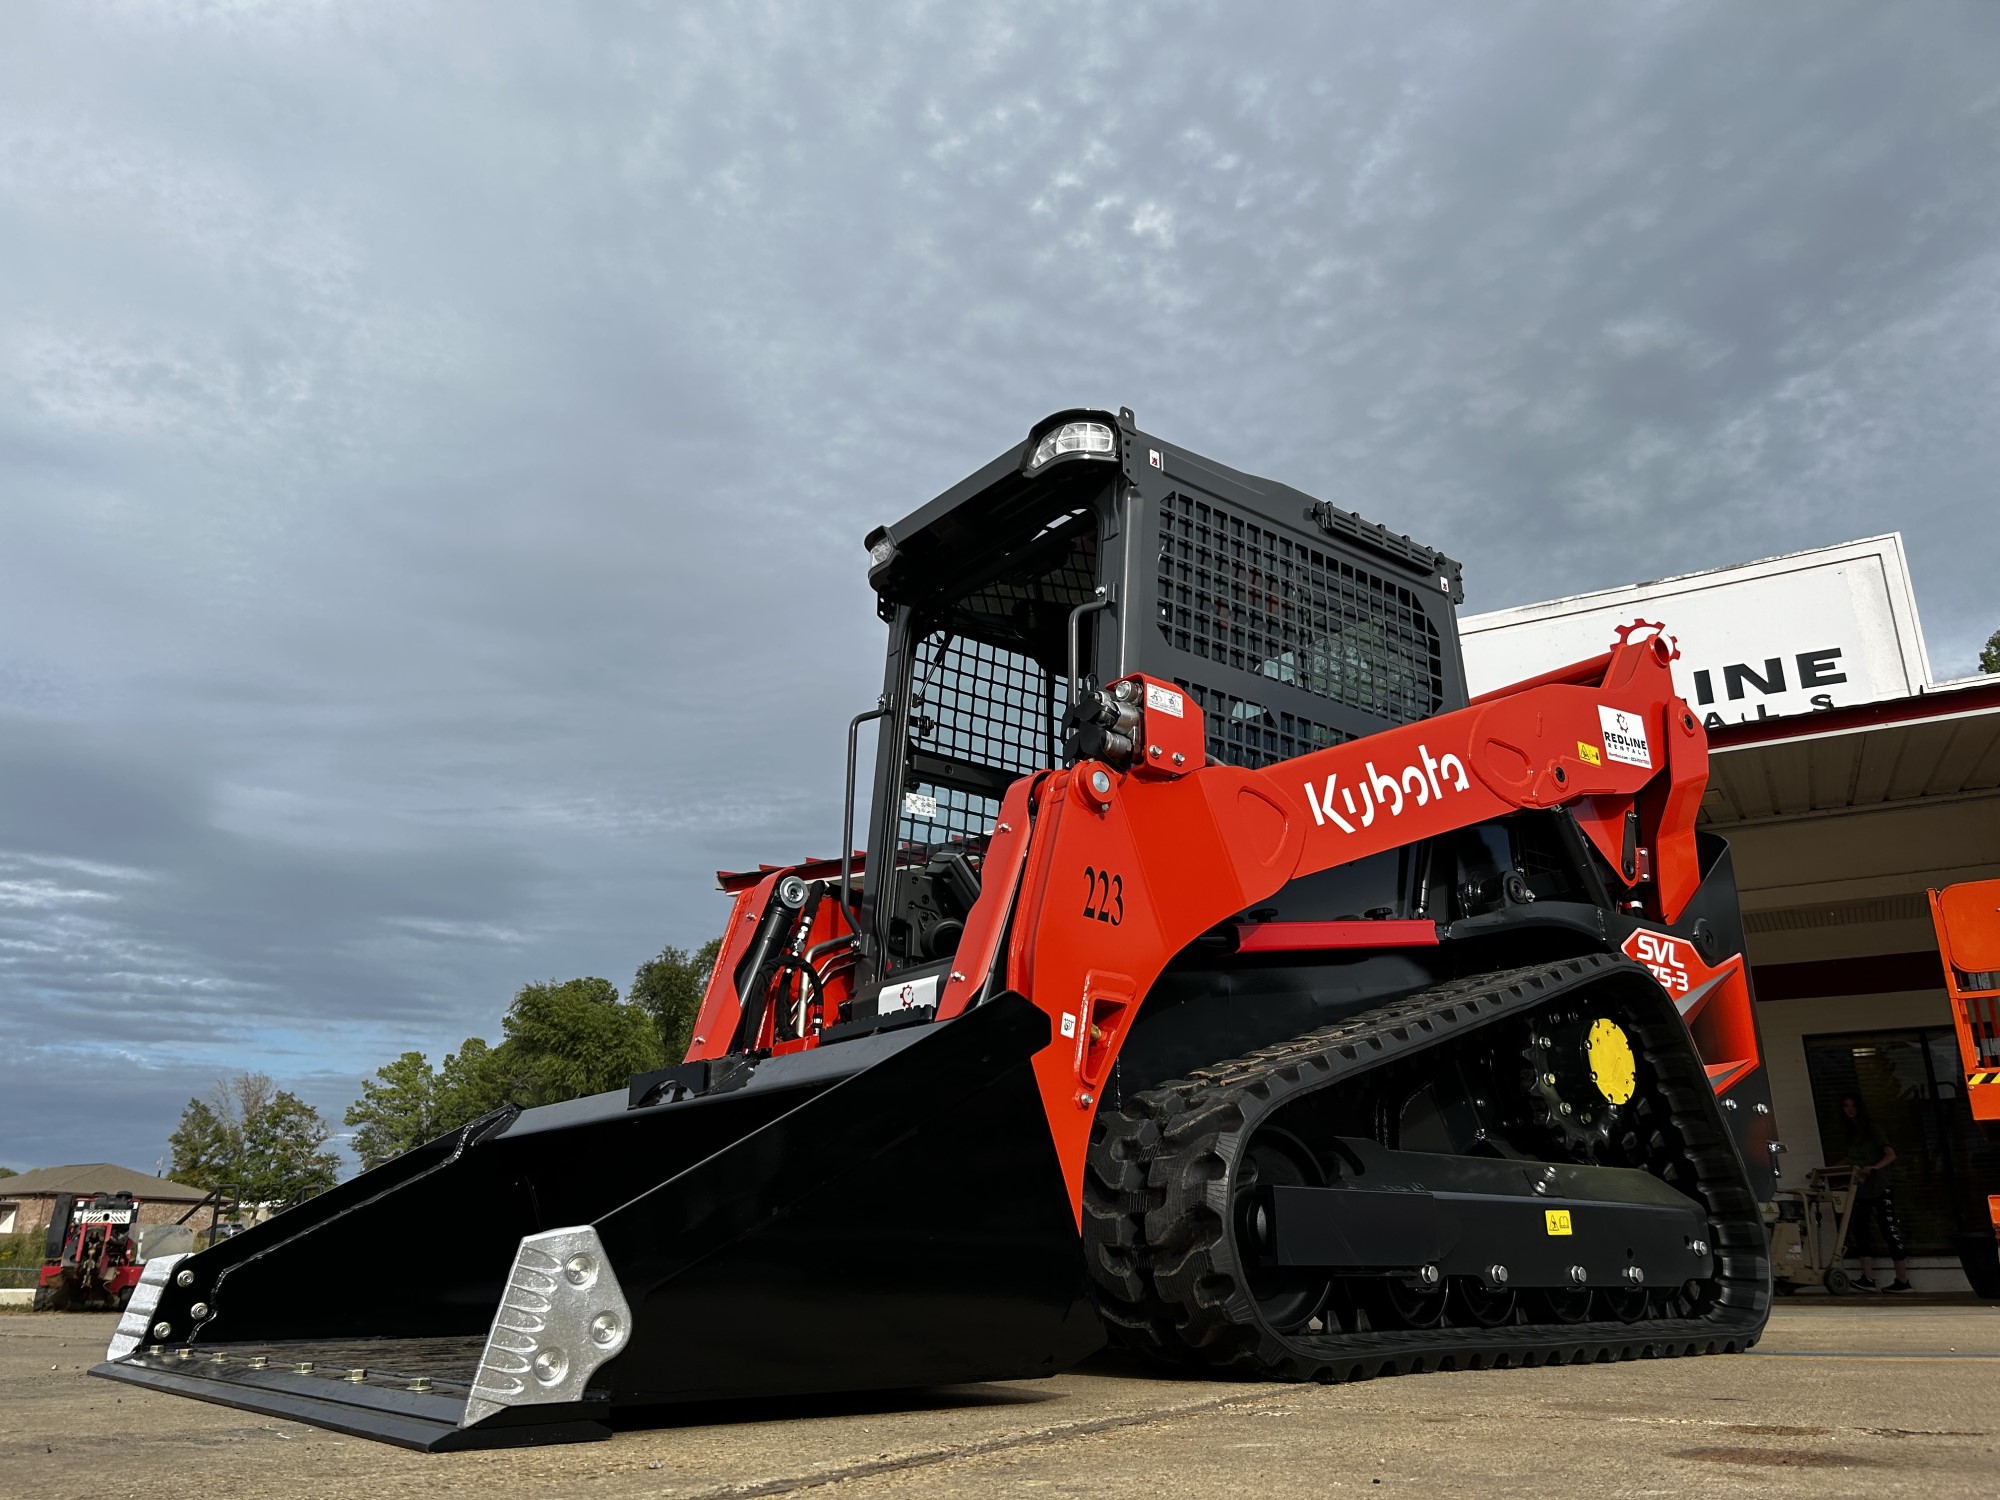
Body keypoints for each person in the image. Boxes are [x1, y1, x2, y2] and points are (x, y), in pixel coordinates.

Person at [1838, 1095, 1911, 1292]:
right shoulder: (1850, 1134)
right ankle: (1868, 1277)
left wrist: (1874, 1168)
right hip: (1860, 1189)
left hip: (1879, 1185)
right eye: (1846, 1105)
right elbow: (1849, 1158)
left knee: (1888, 1228)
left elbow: (1890, 1154)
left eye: (1853, 1105)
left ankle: (1903, 1280)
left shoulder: (1873, 1129)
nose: (1850, 1109)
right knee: (1861, 1231)